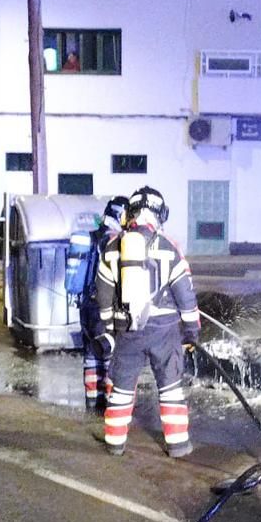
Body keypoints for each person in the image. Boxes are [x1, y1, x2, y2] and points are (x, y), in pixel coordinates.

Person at [93, 185, 202, 458]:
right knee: (170, 387)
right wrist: (192, 332)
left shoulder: (112, 248)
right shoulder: (168, 247)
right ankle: (177, 445)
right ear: (159, 214)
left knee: (121, 388)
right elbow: (185, 294)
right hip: (164, 332)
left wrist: (108, 329)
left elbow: (103, 294)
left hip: (127, 331)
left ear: (130, 213)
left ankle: (115, 443)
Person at [77, 195, 128, 412]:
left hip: (85, 305)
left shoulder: (91, 236)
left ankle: (91, 401)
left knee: (91, 354)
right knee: (109, 355)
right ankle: (109, 405)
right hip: (102, 305)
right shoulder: (113, 240)